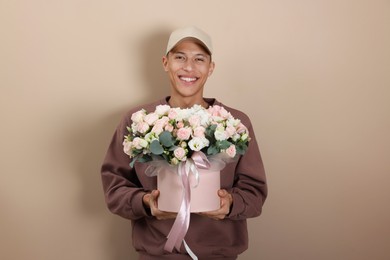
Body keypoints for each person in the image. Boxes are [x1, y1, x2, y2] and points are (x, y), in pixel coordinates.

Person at [101, 26, 267, 260]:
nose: (189, 67)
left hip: (218, 256)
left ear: (211, 67)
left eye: (199, 59)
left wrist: (230, 204)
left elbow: (254, 194)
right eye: (180, 57)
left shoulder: (236, 123)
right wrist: (146, 203)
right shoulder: (137, 120)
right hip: (156, 256)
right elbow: (114, 186)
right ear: (165, 62)